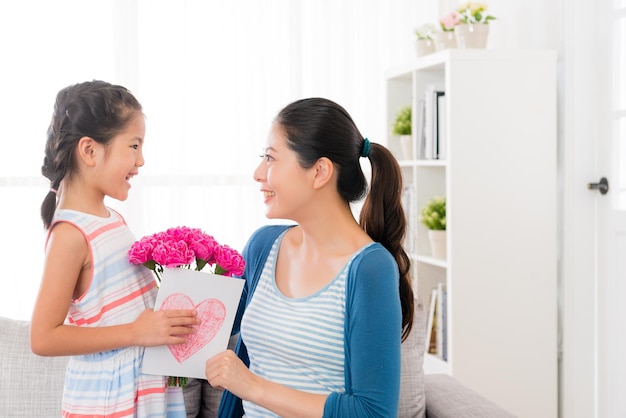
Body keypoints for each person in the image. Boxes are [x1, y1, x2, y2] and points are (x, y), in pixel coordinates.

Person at [205, 97, 415, 417]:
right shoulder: (263, 247)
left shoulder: (370, 269)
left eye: (271, 158)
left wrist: (251, 386)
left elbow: (373, 412)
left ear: (319, 171)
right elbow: (208, 324)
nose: (258, 173)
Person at [30, 80, 199, 418]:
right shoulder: (70, 234)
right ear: (90, 151)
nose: (141, 160)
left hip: (144, 387)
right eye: (134, 146)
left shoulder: (112, 219)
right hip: (109, 400)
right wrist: (135, 332)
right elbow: (43, 338)